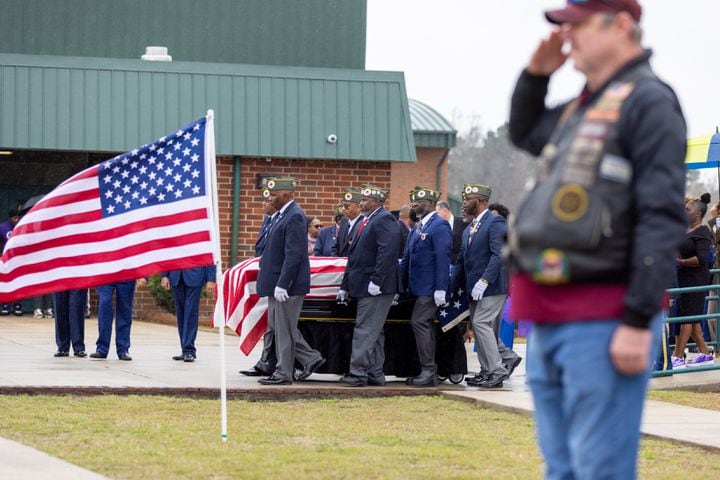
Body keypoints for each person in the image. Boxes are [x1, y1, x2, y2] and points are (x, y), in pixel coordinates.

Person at [507, 1, 687, 477]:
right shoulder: (579, 107)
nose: (569, 37)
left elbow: (661, 214)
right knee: (561, 466)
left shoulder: (648, 100)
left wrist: (636, 316)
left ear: (622, 25)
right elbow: (525, 133)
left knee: (598, 467)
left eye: (579, 25)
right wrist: (535, 76)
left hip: (604, 315)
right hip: (549, 310)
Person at [255, 177, 324, 385]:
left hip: (288, 285)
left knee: (284, 330)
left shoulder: (294, 216)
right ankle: (303, 361)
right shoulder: (280, 215)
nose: (270, 197)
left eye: (274, 194)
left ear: (287, 195)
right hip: (278, 281)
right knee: (279, 328)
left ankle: (284, 373)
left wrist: (283, 283)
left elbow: (294, 254)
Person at [450, 184, 514, 389]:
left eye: (468, 199)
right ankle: (487, 371)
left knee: (481, 323)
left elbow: (499, 254)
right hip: (474, 288)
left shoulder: (495, 222)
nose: (464, 203)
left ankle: (496, 370)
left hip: (492, 286)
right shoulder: (469, 227)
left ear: (481, 201)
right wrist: (451, 289)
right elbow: (461, 261)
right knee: (480, 326)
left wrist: (485, 280)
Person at [337, 184, 402, 387]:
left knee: (365, 329)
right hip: (363, 284)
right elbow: (354, 256)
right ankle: (374, 372)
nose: (361, 203)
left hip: (375, 286)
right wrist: (345, 285)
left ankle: (358, 373)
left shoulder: (384, 219)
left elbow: (387, 251)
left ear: (377, 202)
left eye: (365, 200)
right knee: (374, 330)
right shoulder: (365, 221)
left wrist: (377, 279)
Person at [400, 186, 452, 386]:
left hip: (430, 288)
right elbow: (407, 259)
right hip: (417, 287)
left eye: (420, 202)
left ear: (431, 204)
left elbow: (442, 257)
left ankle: (429, 370)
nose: (415, 205)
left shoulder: (439, 225)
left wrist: (441, 287)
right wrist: (401, 286)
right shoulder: (418, 227)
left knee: (419, 322)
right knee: (422, 324)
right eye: (413, 202)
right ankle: (427, 369)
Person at [672, 195, 715, 367]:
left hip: (696, 279)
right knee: (693, 318)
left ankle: (678, 355)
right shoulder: (687, 230)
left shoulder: (703, 231)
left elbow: (702, 258)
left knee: (687, 318)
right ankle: (705, 353)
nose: (684, 211)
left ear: (697, 213)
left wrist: (680, 262)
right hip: (684, 279)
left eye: (688, 209)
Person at [162, 265, 216, 362]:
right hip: (176, 276)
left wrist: (211, 278)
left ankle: (189, 350)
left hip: (195, 276)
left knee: (191, 314)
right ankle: (184, 349)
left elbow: (210, 255)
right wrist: (164, 275)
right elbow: (168, 252)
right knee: (181, 315)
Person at [90, 278, 147, 360]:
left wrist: (143, 275)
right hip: (106, 272)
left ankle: (123, 349)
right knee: (104, 306)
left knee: (124, 309)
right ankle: (102, 349)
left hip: (127, 273)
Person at [0, 208, 23, 316]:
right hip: (6, 258)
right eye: (15, 218)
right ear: (10, 218)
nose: (17, 220)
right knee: (6, 280)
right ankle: (5, 305)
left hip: (18, 258)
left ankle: (17, 305)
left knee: (18, 282)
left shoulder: (22, 226)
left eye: (18, 217)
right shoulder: (3, 227)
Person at [53, 289, 88, 357]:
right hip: (60, 280)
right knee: (60, 309)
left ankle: (79, 347)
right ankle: (62, 347)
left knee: (77, 310)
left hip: (77, 279)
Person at [332, 189, 364, 257]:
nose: (343, 209)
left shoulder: (364, 223)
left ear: (358, 207)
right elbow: (336, 247)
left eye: (346, 206)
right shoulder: (344, 222)